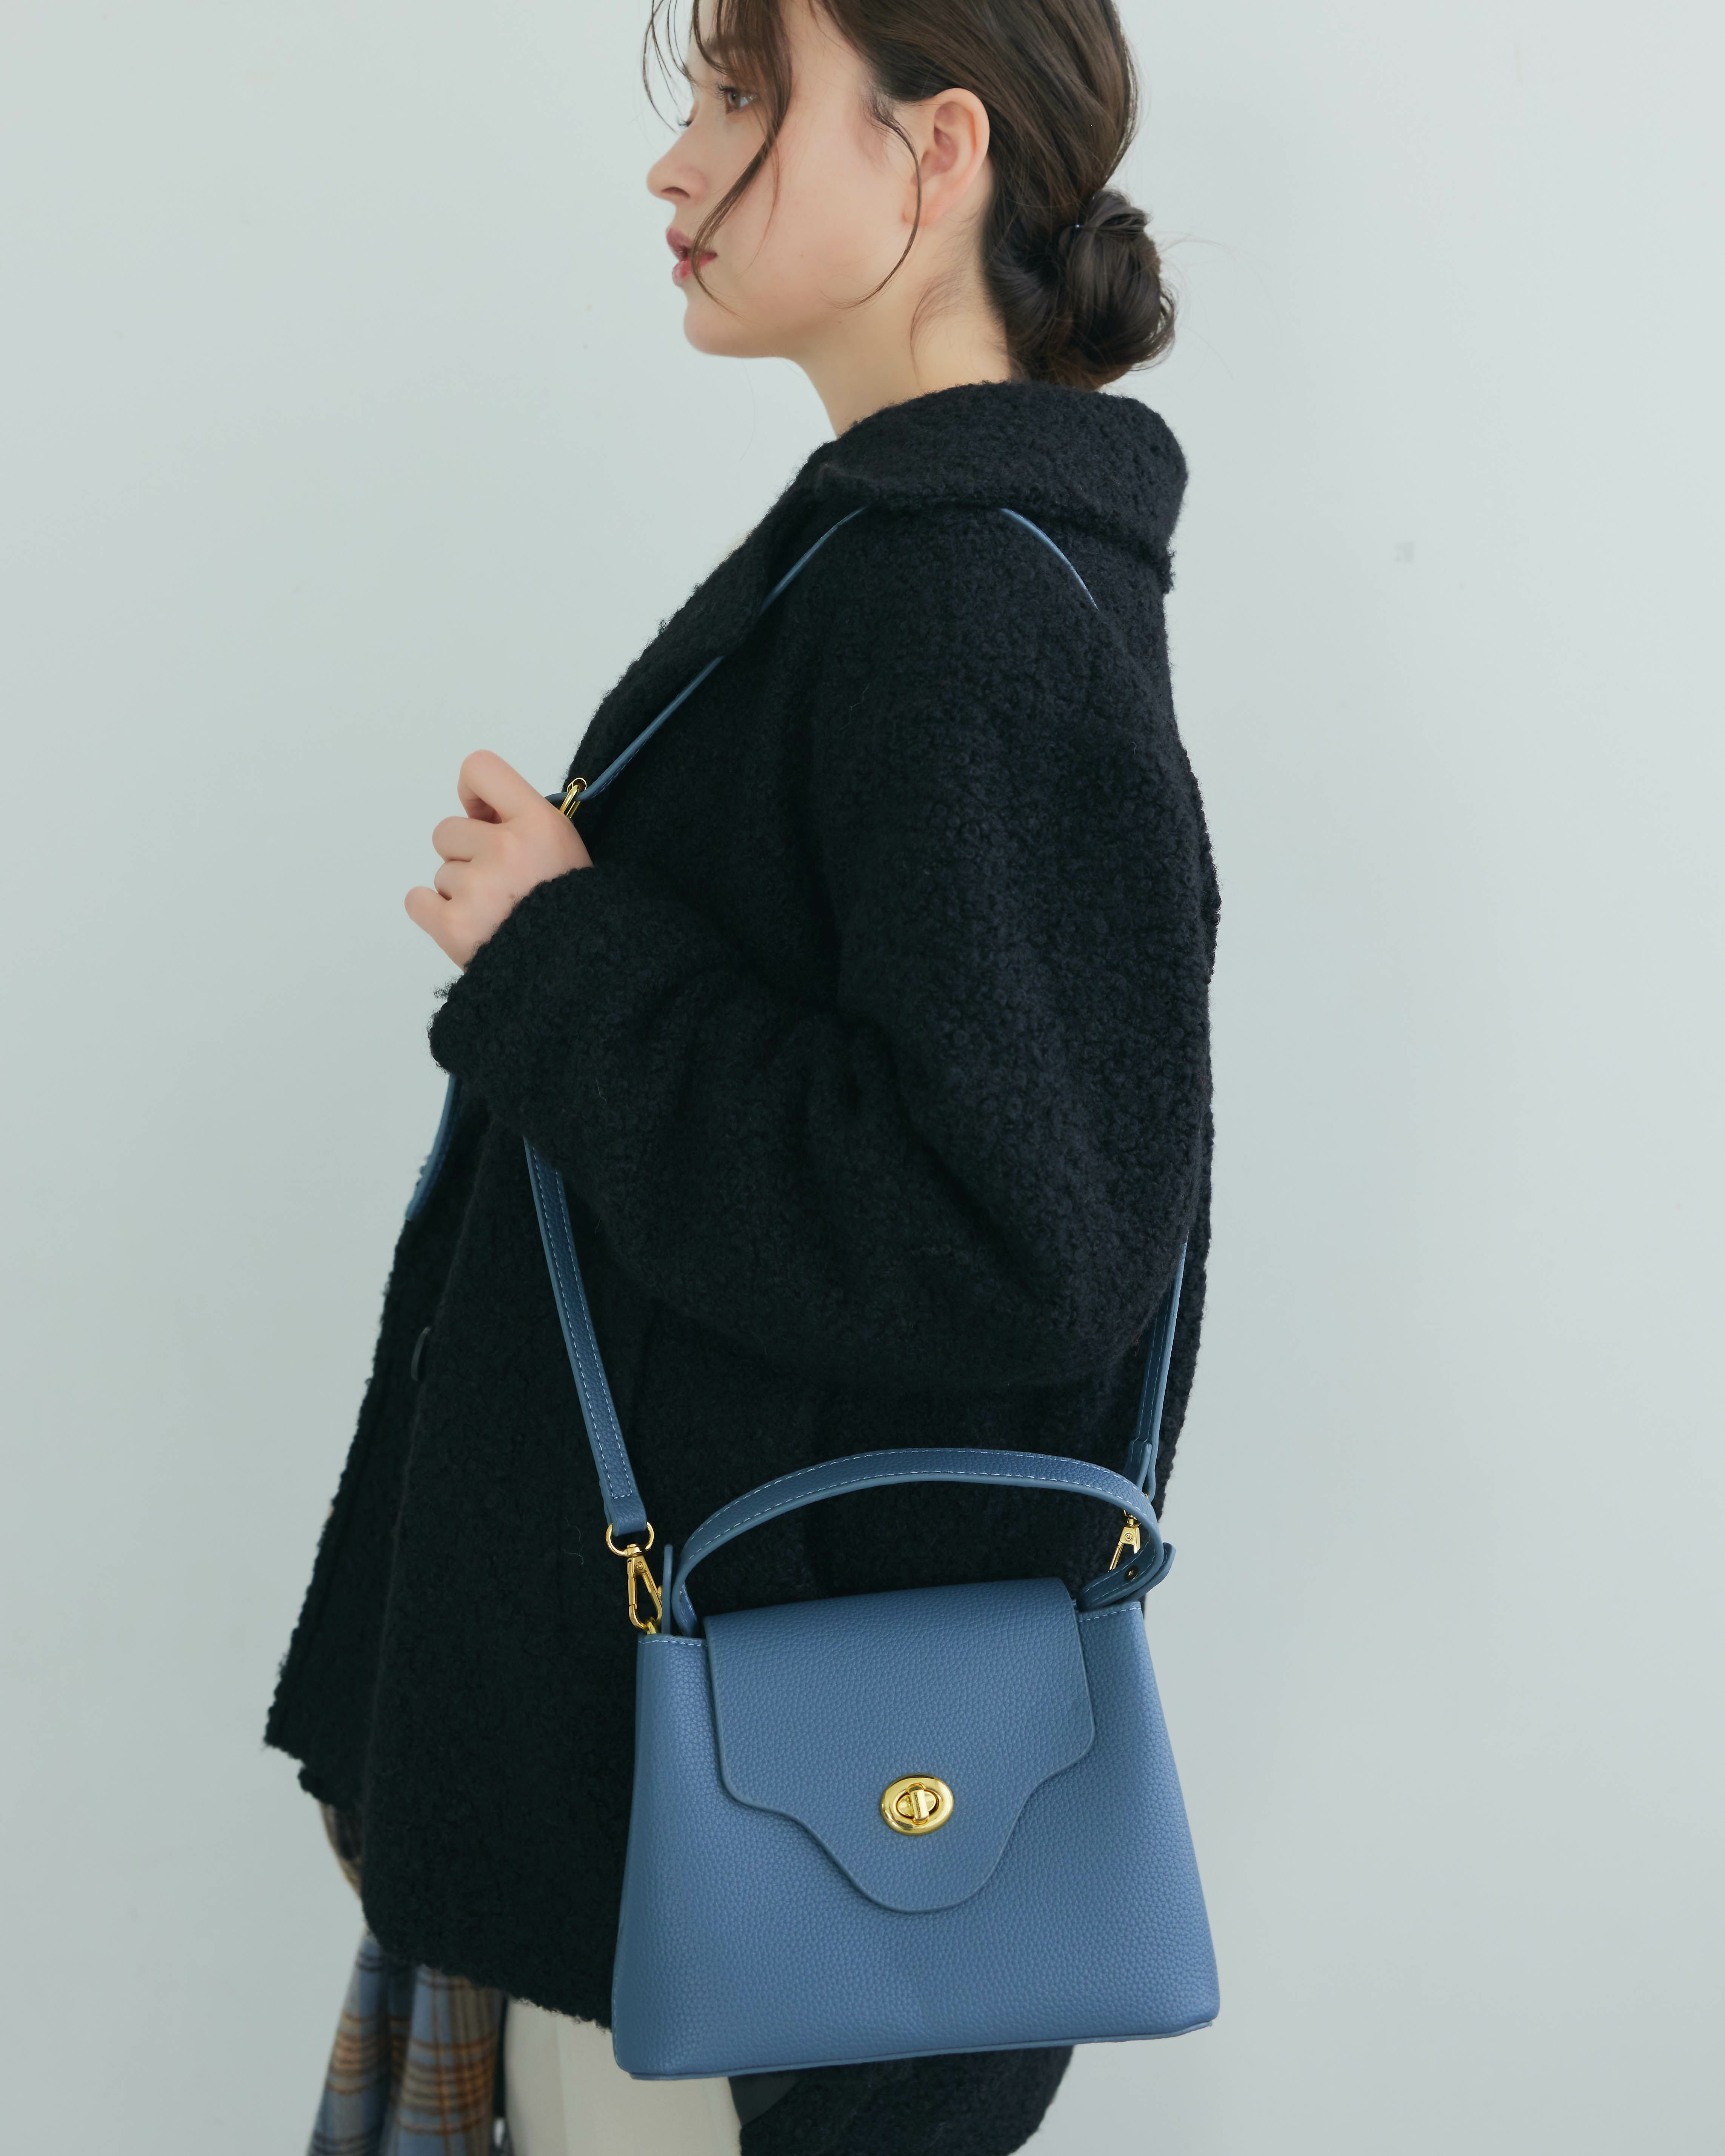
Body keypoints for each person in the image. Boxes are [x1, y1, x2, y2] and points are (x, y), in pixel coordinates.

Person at [266, 0, 1220, 2149]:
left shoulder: (961, 605)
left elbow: (1018, 1238)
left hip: (742, 1865)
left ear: (936, 152)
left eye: (737, 96)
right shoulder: (907, 566)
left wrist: (569, 957)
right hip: (731, 1796)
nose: (675, 164)